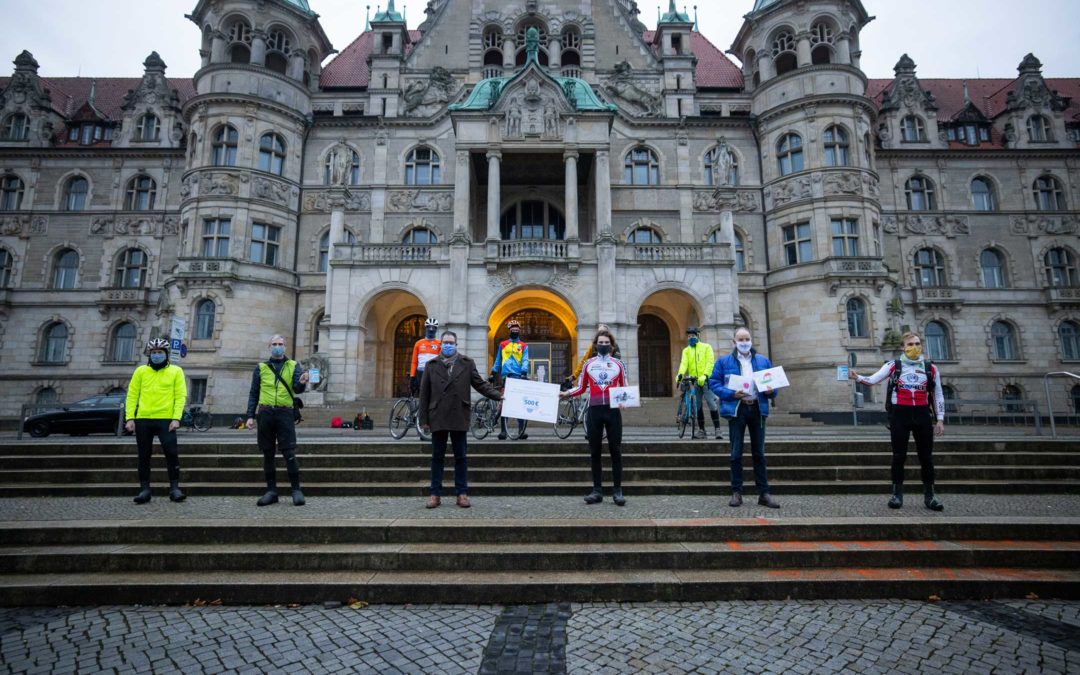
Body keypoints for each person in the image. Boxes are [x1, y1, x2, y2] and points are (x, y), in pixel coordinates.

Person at [850, 331, 945, 511]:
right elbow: (873, 380)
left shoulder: (930, 368)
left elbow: (938, 393)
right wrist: (858, 377)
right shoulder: (894, 365)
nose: (914, 348)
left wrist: (940, 419)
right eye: (910, 345)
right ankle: (896, 495)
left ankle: (930, 496)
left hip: (923, 414)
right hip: (900, 414)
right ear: (903, 347)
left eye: (917, 344)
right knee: (898, 457)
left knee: (926, 458)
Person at [419, 331, 503, 508]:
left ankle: (462, 493)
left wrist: (498, 396)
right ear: (441, 344)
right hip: (438, 415)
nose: (448, 345)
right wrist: (423, 420)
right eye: (445, 342)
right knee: (437, 457)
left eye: (451, 343)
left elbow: (480, 384)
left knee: (461, 457)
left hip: (459, 414)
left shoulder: (467, 363)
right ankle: (435, 494)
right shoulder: (431, 364)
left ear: (456, 345)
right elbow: (424, 394)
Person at [708, 327, 779, 509]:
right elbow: (714, 383)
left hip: (757, 408)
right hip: (736, 409)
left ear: (751, 340)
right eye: (740, 339)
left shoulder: (763, 360)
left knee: (759, 453)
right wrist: (731, 394)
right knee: (735, 452)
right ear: (734, 342)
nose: (744, 341)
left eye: (747, 338)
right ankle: (736, 492)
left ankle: (764, 493)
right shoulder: (724, 361)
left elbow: (773, 386)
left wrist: (772, 391)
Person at [561, 330, 628, 505]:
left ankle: (617, 491)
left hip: (613, 411)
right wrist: (566, 394)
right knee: (594, 452)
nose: (603, 345)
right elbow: (581, 388)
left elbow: (625, 387)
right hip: (594, 410)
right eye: (600, 342)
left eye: (606, 343)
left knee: (616, 451)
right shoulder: (588, 364)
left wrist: (624, 401)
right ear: (595, 345)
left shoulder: (618, 365)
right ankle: (597, 490)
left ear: (611, 346)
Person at [245, 335, 309, 506]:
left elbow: (297, 388)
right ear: (269, 347)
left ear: (285, 347)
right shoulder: (261, 368)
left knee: (289, 452)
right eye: (274, 344)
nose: (277, 347)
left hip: (285, 412)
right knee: (268, 453)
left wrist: (302, 382)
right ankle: (271, 491)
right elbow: (254, 393)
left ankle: (296, 490)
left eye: (280, 344)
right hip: (265, 412)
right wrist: (250, 416)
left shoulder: (294, 365)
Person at [125, 338, 188, 504]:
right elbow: (132, 395)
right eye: (154, 353)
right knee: (144, 456)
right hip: (143, 419)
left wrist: (176, 418)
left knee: (171, 454)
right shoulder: (140, 371)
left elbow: (180, 396)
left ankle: (174, 488)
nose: (157, 355)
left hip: (166, 420)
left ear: (166, 354)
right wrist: (130, 417)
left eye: (160, 353)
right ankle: (144, 490)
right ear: (149, 354)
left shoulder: (176, 371)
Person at [676, 327, 723, 440]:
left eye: (693, 336)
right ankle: (702, 430)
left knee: (712, 404)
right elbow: (684, 364)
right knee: (697, 406)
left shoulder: (706, 347)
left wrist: (705, 375)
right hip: (694, 381)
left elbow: (710, 362)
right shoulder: (686, 350)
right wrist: (680, 374)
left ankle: (718, 430)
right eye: (689, 336)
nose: (690, 338)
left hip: (706, 380)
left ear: (698, 336)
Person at [492, 318, 529, 440]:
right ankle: (503, 431)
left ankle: (521, 430)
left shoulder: (523, 345)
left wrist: (524, 371)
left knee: (519, 404)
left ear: (519, 330)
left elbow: (525, 359)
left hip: (518, 377)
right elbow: (498, 359)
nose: (515, 330)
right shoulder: (503, 344)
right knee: (505, 404)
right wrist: (493, 372)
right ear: (509, 330)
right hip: (506, 378)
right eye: (513, 329)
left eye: (516, 329)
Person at [410, 317, 442, 395]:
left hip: (434, 372)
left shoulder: (439, 344)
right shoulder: (418, 343)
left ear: (436, 329)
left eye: (433, 328)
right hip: (421, 372)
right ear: (425, 328)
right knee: (422, 395)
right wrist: (412, 376)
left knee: (434, 394)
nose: (431, 329)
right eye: (429, 327)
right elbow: (414, 362)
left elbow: (441, 361)